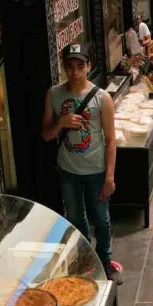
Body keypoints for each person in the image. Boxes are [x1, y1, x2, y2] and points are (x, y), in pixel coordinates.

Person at [42, 43, 122, 283]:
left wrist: (109, 177)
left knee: (102, 218)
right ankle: (85, 259)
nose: (75, 72)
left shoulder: (101, 98)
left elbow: (110, 140)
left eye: (80, 66)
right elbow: (46, 135)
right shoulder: (54, 94)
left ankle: (105, 261)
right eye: (69, 67)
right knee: (76, 217)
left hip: (96, 170)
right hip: (68, 170)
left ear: (88, 66)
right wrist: (60, 124)